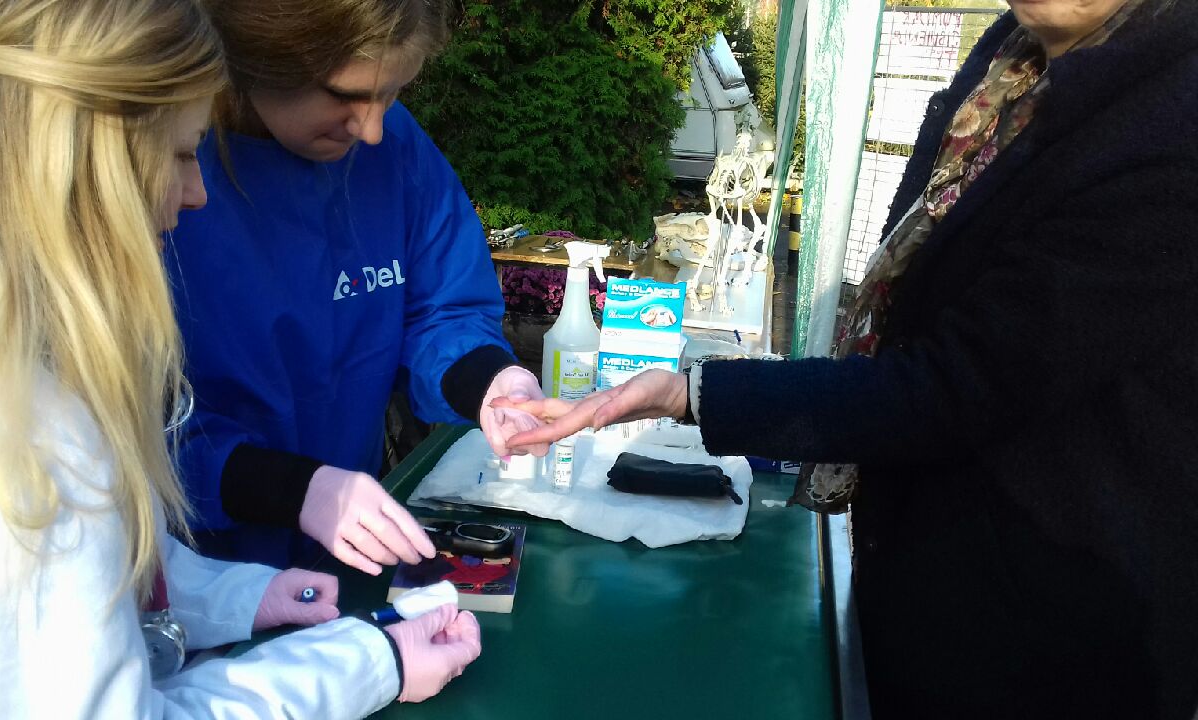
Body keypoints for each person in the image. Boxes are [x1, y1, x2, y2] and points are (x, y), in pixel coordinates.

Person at [498, 0, 1198, 718]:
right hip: (937, 578)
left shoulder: (1170, 124)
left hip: (1058, 635)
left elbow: (955, 385)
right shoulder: (1012, 60)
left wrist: (692, 394)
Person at [0, 0, 479, 716]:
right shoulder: (17, 425)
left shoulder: (17, 343)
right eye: (184, 155)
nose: (198, 193)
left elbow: (106, 564)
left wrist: (238, 596)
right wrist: (369, 662)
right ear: (87, 159)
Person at [164, 0, 546, 570]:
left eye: (391, 94)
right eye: (345, 95)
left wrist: (491, 382)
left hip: (353, 545)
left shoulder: (395, 147)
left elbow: (444, 308)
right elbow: (129, 415)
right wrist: (291, 488)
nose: (370, 130)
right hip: (200, 562)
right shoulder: (168, 171)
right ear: (257, 55)